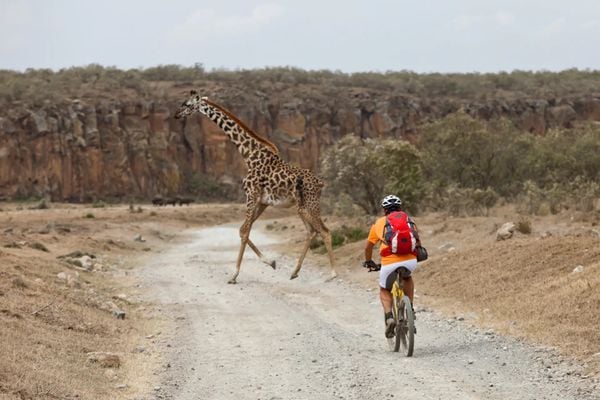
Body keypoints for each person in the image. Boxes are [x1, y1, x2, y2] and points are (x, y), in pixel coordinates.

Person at [363, 194, 422, 338]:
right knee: (407, 278)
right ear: (400, 208)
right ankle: (410, 310)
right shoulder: (409, 220)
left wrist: (369, 261)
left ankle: (389, 317)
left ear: (384, 210)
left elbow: (368, 247)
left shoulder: (379, 223)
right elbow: (418, 242)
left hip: (389, 263)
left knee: (384, 289)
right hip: (410, 261)